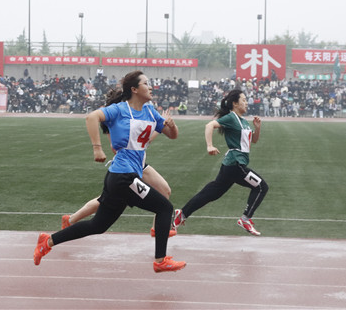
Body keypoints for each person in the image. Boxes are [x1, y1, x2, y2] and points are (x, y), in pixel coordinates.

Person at [34, 70, 185, 273]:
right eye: (146, 83)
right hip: (123, 176)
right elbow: (91, 117)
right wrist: (97, 148)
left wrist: (172, 126)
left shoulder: (150, 112)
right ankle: (160, 260)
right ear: (134, 89)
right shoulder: (119, 109)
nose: (151, 87)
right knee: (165, 207)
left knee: (98, 225)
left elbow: (172, 135)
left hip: (123, 177)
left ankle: (47, 241)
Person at [172, 89, 269, 236]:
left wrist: (257, 128)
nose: (246, 103)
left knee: (212, 193)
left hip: (231, 166)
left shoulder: (243, 121)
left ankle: (182, 214)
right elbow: (209, 126)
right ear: (235, 103)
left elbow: (253, 141)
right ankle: (245, 219)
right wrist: (209, 145)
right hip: (235, 164)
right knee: (261, 186)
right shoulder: (231, 117)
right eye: (243, 100)